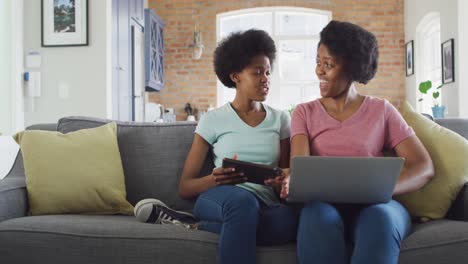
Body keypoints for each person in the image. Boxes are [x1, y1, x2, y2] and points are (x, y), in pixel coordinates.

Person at [135, 29, 299, 264]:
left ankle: (192, 225)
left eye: (268, 72)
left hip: (265, 204)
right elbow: (185, 187)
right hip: (222, 198)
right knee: (242, 205)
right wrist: (216, 179)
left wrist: (280, 182)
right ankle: (219, 221)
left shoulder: (281, 119)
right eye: (257, 72)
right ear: (235, 76)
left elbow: (283, 180)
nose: (266, 79)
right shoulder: (213, 120)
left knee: (288, 222)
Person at [280, 20, 435, 264]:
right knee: (316, 217)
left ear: (352, 68)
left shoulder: (382, 110)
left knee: (379, 220)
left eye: (328, 64)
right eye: (318, 62)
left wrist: (383, 190)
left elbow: (423, 167)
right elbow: (300, 166)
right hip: (323, 206)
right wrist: (291, 179)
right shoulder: (304, 113)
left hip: (377, 207)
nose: (319, 71)